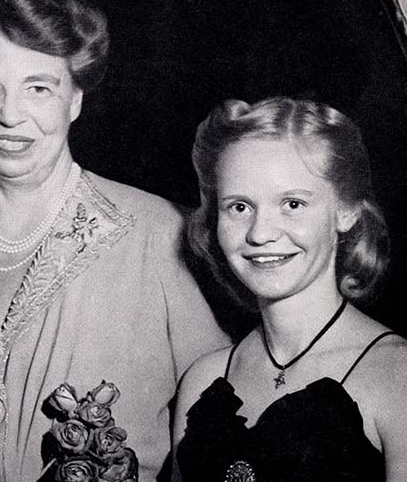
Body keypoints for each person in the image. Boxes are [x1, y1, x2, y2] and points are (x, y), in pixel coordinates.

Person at [0, 0, 230, 481]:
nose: (9, 115)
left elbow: (222, 443)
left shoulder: (164, 240)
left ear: (75, 99)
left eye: (39, 88)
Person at [173, 97, 407, 481]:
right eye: (239, 207)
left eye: (293, 204)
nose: (260, 233)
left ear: (346, 211)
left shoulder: (396, 375)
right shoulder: (202, 381)